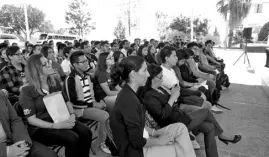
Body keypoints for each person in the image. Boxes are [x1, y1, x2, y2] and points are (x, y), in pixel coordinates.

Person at [139, 63, 242, 157]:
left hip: (180, 116)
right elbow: (163, 114)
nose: (162, 80)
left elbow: (173, 102)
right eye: (160, 77)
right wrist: (172, 98)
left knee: (209, 127)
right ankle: (222, 134)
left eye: (162, 77)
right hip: (173, 123)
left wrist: (174, 94)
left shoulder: (160, 88)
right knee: (206, 111)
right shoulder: (149, 95)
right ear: (150, 78)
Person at [109, 55, 196, 157]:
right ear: (133, 74)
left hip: (144, 138)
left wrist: (155, 133)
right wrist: (159, 141)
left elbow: (137, 125)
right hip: (136, 152)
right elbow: (136, 141)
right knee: (178, 146)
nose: (148, 74)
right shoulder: (128, 100)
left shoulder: (131, 92)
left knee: (180, 128)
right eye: (144, 70)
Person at [19, 54, 92, 157]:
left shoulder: (54, 81)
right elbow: (32, 120)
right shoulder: (27, 90)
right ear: (37, 69)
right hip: (40, 128)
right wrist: (56, 126)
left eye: (48, 62)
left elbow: (66, 101)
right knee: (72, 138)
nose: (50, 65)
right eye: (45, 64)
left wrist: (72, 114)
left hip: (61, 118)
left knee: (86, 131)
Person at [65, 51, 111, 154]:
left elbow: (94, 92)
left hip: (91, 105)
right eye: (83, 62)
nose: (87, 63)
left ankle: (108, 136)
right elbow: (72, 102)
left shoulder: (88, 76)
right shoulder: (70, 79)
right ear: (75, 65)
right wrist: (93, 104)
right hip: (80, 110)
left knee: (111, 108)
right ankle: (102, 142)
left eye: (87, 60)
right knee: (105, 116)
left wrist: (100, 100)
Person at [0, 90, 58, 157]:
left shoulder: (1, 95)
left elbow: (15, 120)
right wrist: (6, 151)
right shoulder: (26, 90)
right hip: (3, 149)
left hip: (12, 139)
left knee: (50, 155)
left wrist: (21, 141)